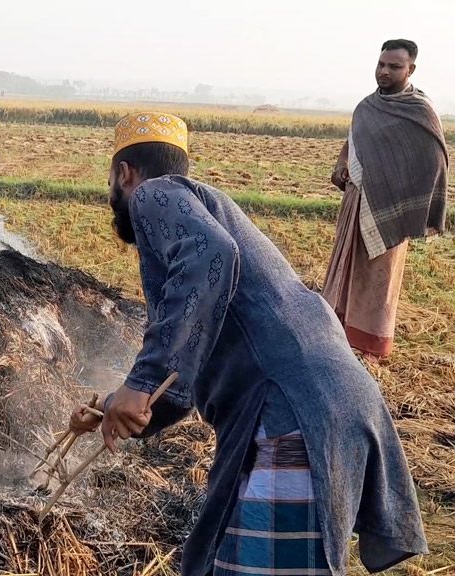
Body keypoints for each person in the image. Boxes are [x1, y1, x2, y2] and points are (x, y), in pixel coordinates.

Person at [69, 113, 426, 576]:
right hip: (320, 404)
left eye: (112, 180)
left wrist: (142, 380)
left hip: (290, 412)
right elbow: (181, 380)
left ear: (124, 172)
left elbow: (212, 256)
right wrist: (118, 408)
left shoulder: (153, 193)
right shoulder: (202, 210)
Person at [323, 39, 448, 361]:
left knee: (378, 277)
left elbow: (434, 161)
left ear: (411, 69)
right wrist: (340, 168)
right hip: (356, 203)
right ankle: (338, 330)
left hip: (389, 208)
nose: (384, 71)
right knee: (347, 265)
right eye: (381, 64)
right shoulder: (367, 106)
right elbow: (351, 145)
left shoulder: (419, 110)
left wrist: (399, 189)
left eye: (394, 66)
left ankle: (370, 344)